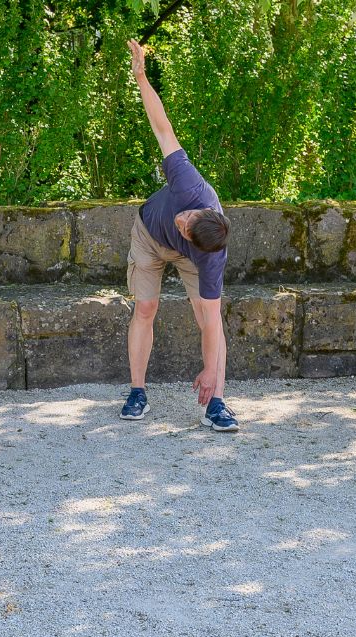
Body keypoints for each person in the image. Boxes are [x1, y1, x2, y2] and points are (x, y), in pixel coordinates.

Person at [120, 39, 237, 432]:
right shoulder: (189, 185)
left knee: (209, 318)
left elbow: (211, 321)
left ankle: (217, 403)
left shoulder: (208, 256)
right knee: (146, 308)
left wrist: (208, 370)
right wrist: (140, 76)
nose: (181, 220)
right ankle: (137, 392)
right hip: (148, 237)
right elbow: (162, 126)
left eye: (185, 227)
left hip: (186, 257)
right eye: (186, 217)